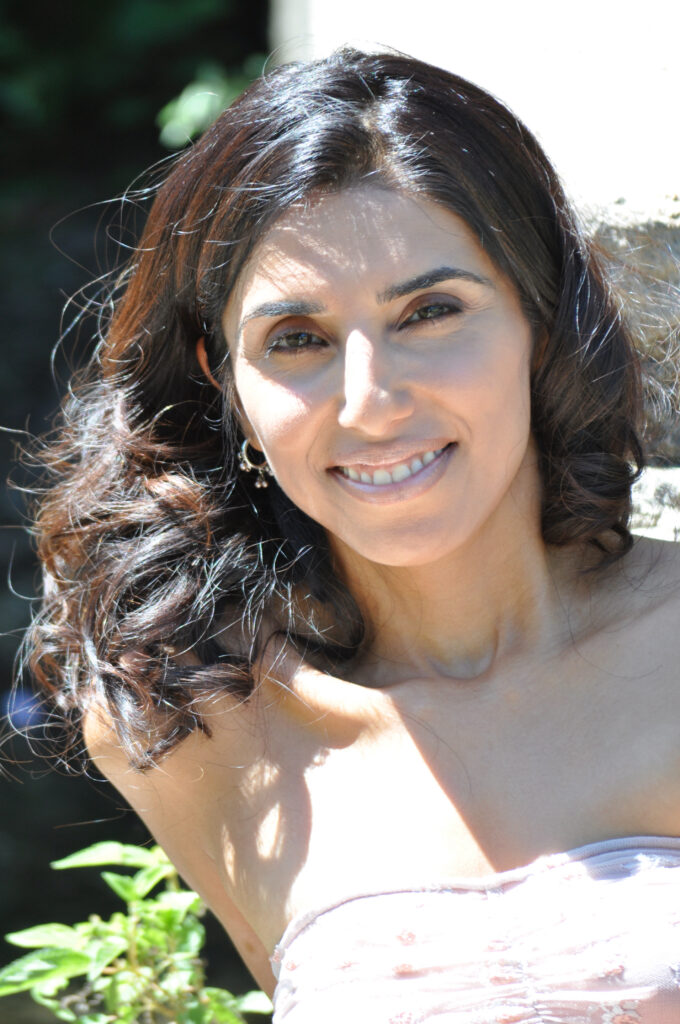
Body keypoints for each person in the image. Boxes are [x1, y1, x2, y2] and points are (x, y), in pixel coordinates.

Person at [24, 48, 680, 1022]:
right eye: (296, 339)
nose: (370, 402)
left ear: (539, 322)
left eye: (430, 312)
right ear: (221, 380)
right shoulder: (201, 729)